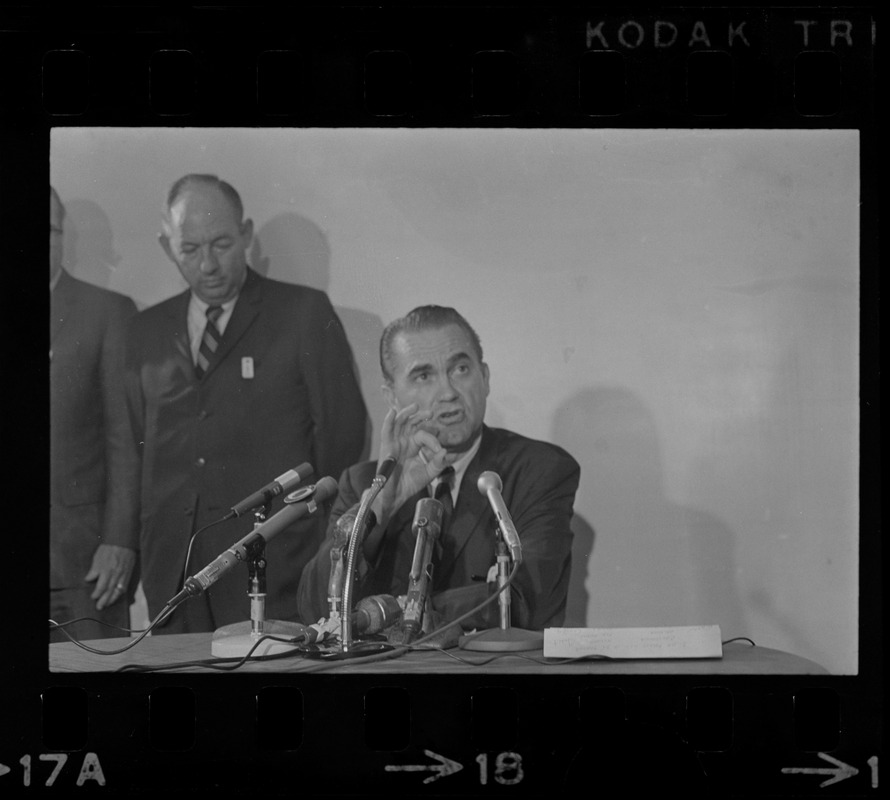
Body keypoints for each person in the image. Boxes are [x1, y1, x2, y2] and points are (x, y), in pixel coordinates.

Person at [118, 174, 368, 633]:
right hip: (174, 569)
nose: (208, 265)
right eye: (189, 250)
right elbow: (133, 449)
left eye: (221, 244)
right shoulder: (144, 331)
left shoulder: (303, 313)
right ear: (165, 245)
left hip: (277, 563)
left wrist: (306, 537)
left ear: (247, 234)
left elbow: (343, 434)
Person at [297, 305, 580, 632]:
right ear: (392, 397)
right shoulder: (363, 483)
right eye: (423, 376)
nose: (447, 393)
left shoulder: (540, 470)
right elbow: (318, 609)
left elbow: (524, 599)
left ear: (485, 377)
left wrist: (398, 611)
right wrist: (382, 506)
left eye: (460, 369)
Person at [50, 186, 139, 641]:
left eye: (48, 229)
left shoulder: (106, 313)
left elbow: (125, 440)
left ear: (64, 237)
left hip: (85, 565)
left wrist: (119, 540)